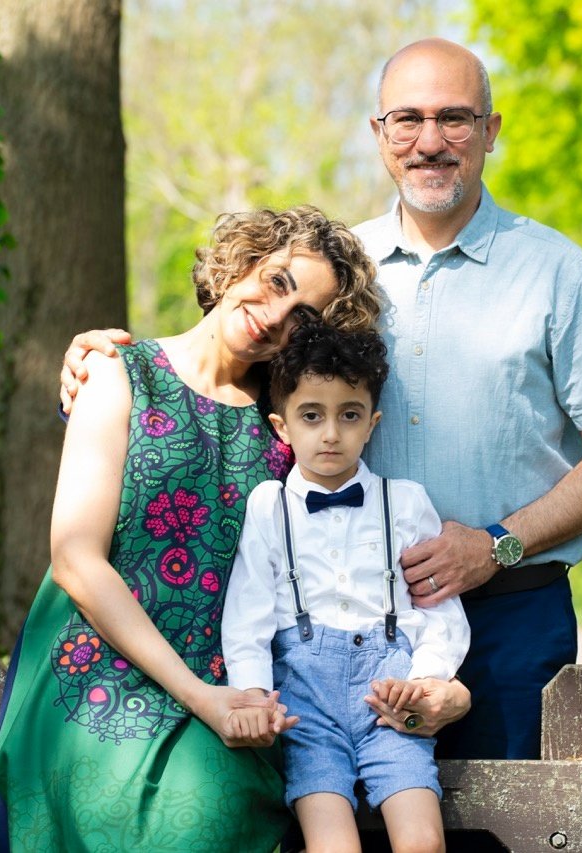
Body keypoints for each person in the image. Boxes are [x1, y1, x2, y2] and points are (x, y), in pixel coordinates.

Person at [60, 37, 582, 763]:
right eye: (407, 118)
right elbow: (240, 374)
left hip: (509, 617)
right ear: (379, 135)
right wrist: (108, 371)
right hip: (334, 631)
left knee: (508, 830)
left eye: (455, 118)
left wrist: (497, 544)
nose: (429, 141)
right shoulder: (339, 280)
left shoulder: (561, 274)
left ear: (491, 131)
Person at [0, 206, 384, 853]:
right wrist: (201, 698)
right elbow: (76, 558)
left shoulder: (289, 430)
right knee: (124, 804)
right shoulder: (117, 370)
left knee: (204, 815)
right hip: (97, 666)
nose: (276, 314)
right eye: (277, 281)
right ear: (244, 260)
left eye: (302, 317)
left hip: (232, 684)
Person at [222, 323, 469, 853]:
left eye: (348, 415)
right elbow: (248, 614)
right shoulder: (267, 505)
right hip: (304, 702)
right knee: (333, 845)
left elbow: (440, 610)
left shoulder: (403, 501)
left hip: (390, 694)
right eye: (311, 415)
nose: (330, 433)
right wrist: (252, 694)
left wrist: (426, 680)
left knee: (423, 840)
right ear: (282, 426)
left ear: (371, 423)